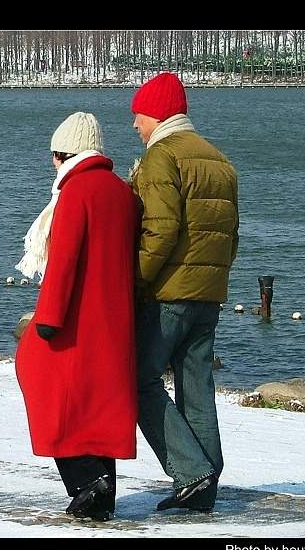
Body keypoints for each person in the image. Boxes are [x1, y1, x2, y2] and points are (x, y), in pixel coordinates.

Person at [15, 112, 140, 521]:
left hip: (76, 317)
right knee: (100, 408)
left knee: (34, 369)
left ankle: (86, 479)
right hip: (114, 318)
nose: (52, 163)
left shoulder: (75, 192)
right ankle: (101, 500)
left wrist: (48, 318)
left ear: (66, 154)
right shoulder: (122, 192)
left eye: (54, 154)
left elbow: (63, 262)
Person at [128, 72, 239, 512]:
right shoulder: (219, 159)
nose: (135, 125)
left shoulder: (162, 157)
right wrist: (215, 279)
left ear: (156, 114)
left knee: (138, 379)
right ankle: (204, 485)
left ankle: (191, 473)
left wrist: (134, 281)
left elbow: (160, 230)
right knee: (196, 386)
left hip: (169, 292)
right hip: (209, 293)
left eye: (138, 115)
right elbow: (232, 232)